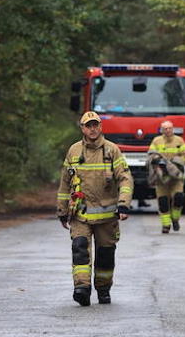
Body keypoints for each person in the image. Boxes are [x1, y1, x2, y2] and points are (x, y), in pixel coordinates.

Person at [57, 111, 133, 306]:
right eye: (88, 125)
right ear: (82, 128)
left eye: (95, 125)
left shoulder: (111, 150)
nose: (92, 129)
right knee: (79, 248)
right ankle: (81, 288)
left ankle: (103, 288)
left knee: (105, 255)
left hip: (107, 216)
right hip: (79, 214)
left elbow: (125, 178)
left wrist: (123, 203)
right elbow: (65, 183)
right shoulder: (74, 151)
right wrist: (62, 211)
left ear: (100, 127)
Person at [147, 120, 185, 233]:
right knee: (163, 201)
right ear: (161, 130)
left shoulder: (179, 141)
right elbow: (151, 155)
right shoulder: (156, 141)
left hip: (176, 177)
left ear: (173, 129)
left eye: (170, 128)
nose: (168, 130)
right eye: (165, 128)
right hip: (161, 178)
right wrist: (158, 162)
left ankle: (175, 219)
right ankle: (166, 225)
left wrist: (175, 165)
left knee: (179, 198)